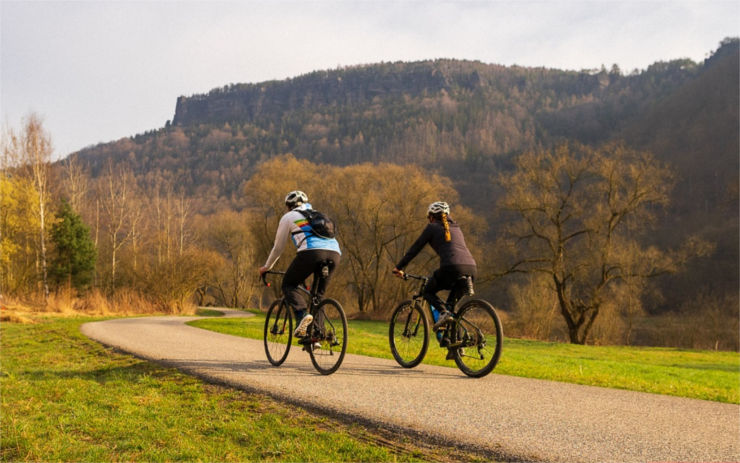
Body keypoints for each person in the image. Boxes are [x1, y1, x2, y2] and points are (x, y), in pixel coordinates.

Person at [258, 190, 341, 339]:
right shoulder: (318, 215)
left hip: (311, 253)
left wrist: (267, 267)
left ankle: (302, 315)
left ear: (289, 206)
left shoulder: (289, 217)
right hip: (335, 253)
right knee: (318, 296)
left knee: (288, 284)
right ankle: (317, 335)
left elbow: (278, 248)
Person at [393, 201, 477, 341]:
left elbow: (415, 249)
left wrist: (399, 267)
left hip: (451, 268)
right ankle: (454, 343)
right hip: (471, 269)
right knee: (451, 307)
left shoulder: (432, 228)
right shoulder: (457, 227)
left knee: (427, 291)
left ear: (432, 217)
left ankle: (443, 313)